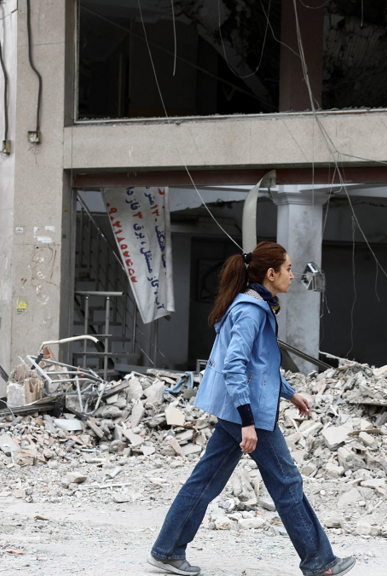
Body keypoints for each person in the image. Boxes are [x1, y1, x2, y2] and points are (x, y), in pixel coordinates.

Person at [148, 241, 355, 576]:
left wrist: (288, 394)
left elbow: (259, 366)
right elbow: (235, 366)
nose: (291, 275)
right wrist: (247, 422)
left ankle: (167, 550)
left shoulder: (255, 305)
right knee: (287, 483)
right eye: (287, 269)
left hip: (241, 410)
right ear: (270, 274)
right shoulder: (250, 310)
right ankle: (319, 562)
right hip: (249, 414)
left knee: (205, 481)